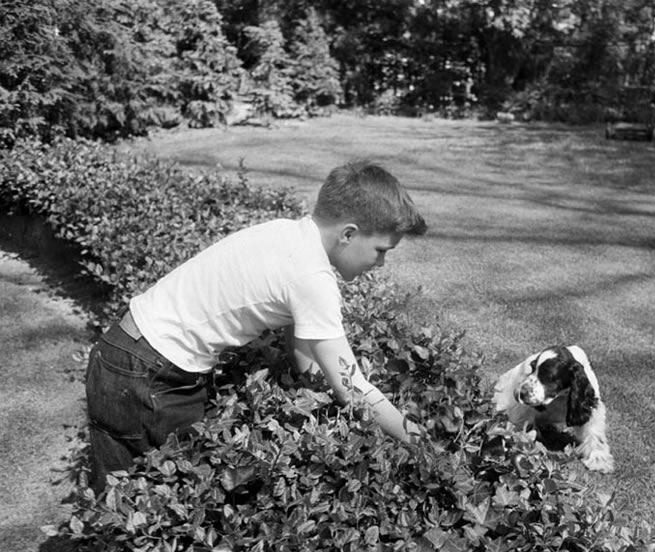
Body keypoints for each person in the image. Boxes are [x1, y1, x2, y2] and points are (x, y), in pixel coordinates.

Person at [85, 159, 427, 492]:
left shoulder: (288, 234)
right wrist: (425, 447)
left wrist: (308, 391)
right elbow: (354, 389)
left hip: (123, 353)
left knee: (118, 501)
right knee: (170, 495)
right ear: (348, 234)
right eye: (381, 250)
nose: (381, 263)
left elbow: (300, 344)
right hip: (151, 375)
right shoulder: (312, 278)